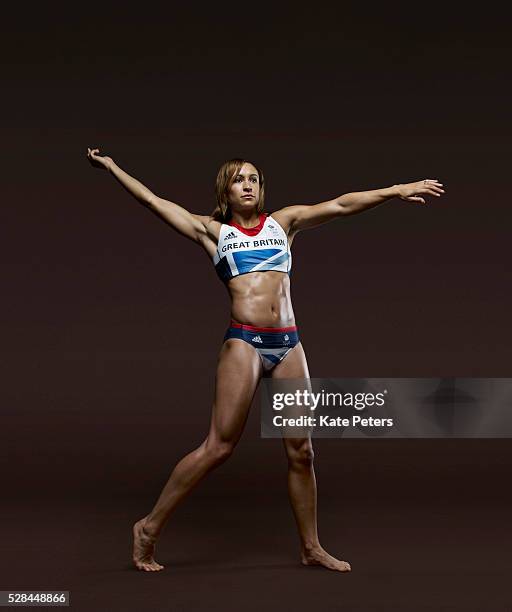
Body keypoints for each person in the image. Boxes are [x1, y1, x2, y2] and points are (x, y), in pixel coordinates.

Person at [87, 148, 444, 572]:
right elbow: (152, 201)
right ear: (226, 190)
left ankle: (311, 547)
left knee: (302, 451)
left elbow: (343, 204)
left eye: (254, 178)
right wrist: (112, 168)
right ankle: (147, 527)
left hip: (289, 343)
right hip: (245, 342)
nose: (249, 184)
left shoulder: (284, 223)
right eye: (240, 179)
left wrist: (393, 191)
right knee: (219, 447)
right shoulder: (212, 231)